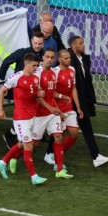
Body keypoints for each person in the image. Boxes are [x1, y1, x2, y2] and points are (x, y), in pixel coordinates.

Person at [0, 53, 47, 185]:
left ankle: (2, 162)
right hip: (20, 117)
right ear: (27, 64)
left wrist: (39, 93)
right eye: (34, 65)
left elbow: (34, 93)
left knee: (21, 144)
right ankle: (34, 177)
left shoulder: (36, 76)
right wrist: (0, 109)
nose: (36, 68)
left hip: (32, 116)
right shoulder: (16, 77)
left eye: (37, 65)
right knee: (28, 145)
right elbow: (2, 90)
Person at [63, 35, 108, 167]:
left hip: (83, 99)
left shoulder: (84, 58)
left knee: (86, 127)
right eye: (80, 43)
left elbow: (86, 80)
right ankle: (52, 153)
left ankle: (96, 156)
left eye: (83, 42)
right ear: (73, 46)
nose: (83, 45)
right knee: (61, 129)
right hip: (71, 100)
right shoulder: (68, 60)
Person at [32, 49, 74, 178]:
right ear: (43, 58)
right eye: (47, 57)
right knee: (34, 144)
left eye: (52, 57)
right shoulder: (37, 74)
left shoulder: (53, 74)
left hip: (52, 112)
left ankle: (59, 169)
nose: (50, 60)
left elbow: (51, 94)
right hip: (40, 113)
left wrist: (61, 97)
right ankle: (11, 157)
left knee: (59, 137)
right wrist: (51, 108)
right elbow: (37, 97)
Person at [0, 32, 45, 148]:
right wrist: (1, 78)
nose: (37, 46)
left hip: (35, 90)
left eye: (40, 43)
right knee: (24, 115)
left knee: (34, 113)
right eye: (35, 43)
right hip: (21, 91)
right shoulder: (22, 52)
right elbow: (6, 61)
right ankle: (12, 135)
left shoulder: (44, 55)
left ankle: (25, 136)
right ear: (31, 41)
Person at [43, 49, 84, 166]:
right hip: (57, 109)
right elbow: (51, 93)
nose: (69, 60)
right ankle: (51, 154)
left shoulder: (72, 70)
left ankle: (57, 153)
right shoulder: (55, 72)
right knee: (58, 134)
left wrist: (78, 107)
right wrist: (57, 110)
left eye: (69, 58)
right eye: (66, 58)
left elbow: (73, 88)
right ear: (59, 59)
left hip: (69, 109)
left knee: (74, 134)